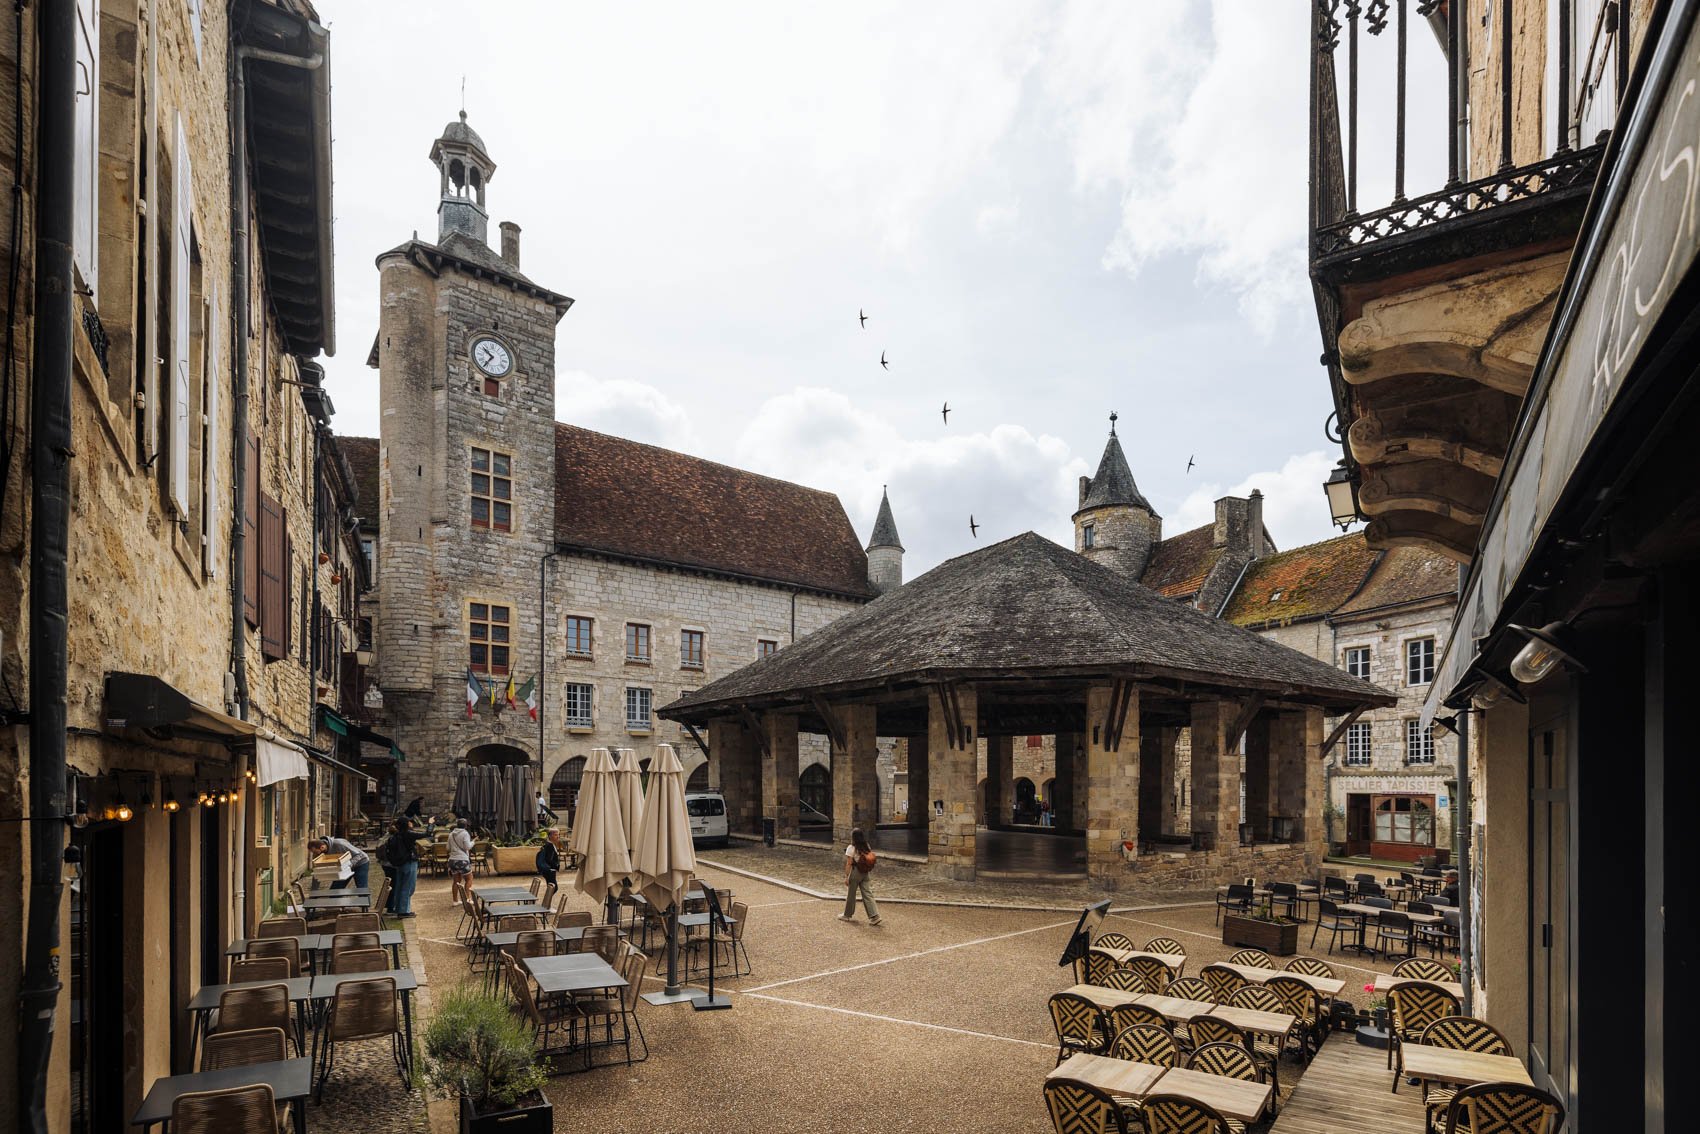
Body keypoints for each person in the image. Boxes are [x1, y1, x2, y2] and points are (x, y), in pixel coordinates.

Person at [385, 817, 431, 918]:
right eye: (409, 822)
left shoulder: (397, 834)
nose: (411, 823)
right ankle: (404, 911)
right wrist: (430, 824)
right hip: (409, 862)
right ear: (406, 824)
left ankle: (398, 908)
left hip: (400, 863)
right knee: (408, 886)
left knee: (400, 886)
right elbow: (427, 834)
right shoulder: (408, 834)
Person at [838, 827, 881, 925]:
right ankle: (875, 916)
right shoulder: (867, 846)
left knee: (851, 894)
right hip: (865, 872)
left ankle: (847, 915)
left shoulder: (851, 848)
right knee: (867, 894)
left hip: (855, 872)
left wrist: (847, 877)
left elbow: (849, 863)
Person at [447, 818, 475, 905]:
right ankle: (468, 899)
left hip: (452, 860)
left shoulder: (451, 834)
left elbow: (447, 848)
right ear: (466, 826)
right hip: (462, 859)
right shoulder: (465, 834)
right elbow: (467, 847)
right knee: (469, 879)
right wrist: (473, 842)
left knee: (456, 881)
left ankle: (455, 901)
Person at [535, 827, 563, 902]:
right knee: (554, 887)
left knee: (551, 887)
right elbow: (549, 859)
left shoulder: (548, 845)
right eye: (555, 835)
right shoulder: (550, 845)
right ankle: (546, 904)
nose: (558, 837)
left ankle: (547, 904)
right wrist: (556, 866)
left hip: (548, 870)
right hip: (549, 870)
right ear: (550, 836)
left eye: (558, 835)